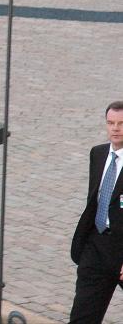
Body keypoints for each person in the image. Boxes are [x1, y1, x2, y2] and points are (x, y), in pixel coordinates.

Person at [69, 101, 123, 324]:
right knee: (83, 316)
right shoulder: (98, 154)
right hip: (96, 246)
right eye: (111, 123)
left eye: (121, 123)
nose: (115, 128)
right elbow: (95, 200)